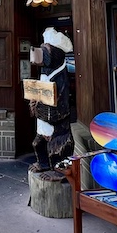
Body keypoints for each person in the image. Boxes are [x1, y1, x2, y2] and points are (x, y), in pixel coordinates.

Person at [29, 27, 74, 179]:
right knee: (37, 143)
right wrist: (34, 104)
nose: (42, 53)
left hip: (57, 127)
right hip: (44, 123)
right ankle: (43, 163)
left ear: (57, 53)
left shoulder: (61, 76)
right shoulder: (44, 74)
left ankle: (59, 172)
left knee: (57, 148)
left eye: (46, 50)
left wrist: (40, 109)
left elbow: (60, 107)